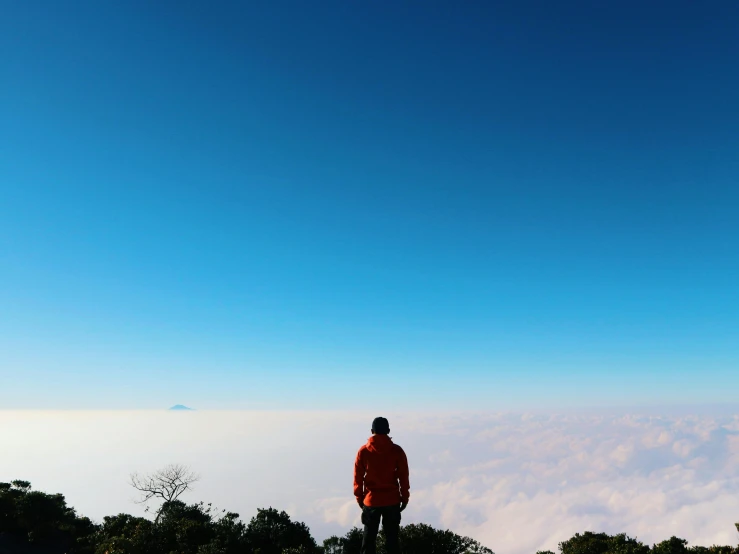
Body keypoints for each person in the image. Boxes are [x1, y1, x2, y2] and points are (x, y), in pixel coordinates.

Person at [353, 416, 410, 554]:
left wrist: (360, 499)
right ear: (388, 431)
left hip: (371, 501)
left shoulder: (363, 451)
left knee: (368, 541)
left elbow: (358, 478)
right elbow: (403, 477)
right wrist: (404, 497)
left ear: (372, 431)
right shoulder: (397, 451)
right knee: (392, 542)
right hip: (392, 500)